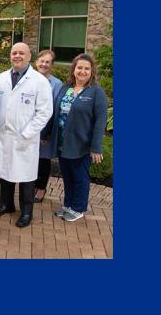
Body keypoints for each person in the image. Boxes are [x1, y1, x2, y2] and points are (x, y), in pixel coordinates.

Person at [0, 42, 53, 228]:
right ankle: (6, 204)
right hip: (4, 135)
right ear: (10, 56)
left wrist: (28, 133)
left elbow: (45, 112)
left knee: (26, 176)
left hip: (25, 139)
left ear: (29, 56)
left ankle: (26, 212)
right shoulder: (1, 79)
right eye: (13, 52)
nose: (17, 56)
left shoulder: (39, 81)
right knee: (5, 171)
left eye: (21, 53)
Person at [47, 54, 108, 222]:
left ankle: (78, 208)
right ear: (73, 69)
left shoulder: (96, 92)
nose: (82, 71)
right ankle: (68, 205)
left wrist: (96, 147)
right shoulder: (66, 87)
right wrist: (46, 134)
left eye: (86, 68)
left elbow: (100, 121)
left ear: (92, 71)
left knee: (80, 177)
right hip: (62, 143)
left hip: (82, 144)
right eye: (79, 67)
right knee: (67, 175)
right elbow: (55, 112)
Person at [33, 50, 64, 203]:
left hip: (45, 130)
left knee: (43, 160)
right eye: (42, 61)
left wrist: (46, 133)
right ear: (36, 62)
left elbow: (56, 110)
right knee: (31, 159)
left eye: (47, 62)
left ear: (51, 65)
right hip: (28, 129)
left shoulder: (56, 84)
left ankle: (41, 189)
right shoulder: (28, 79)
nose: (44, 64)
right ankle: (31, 185)